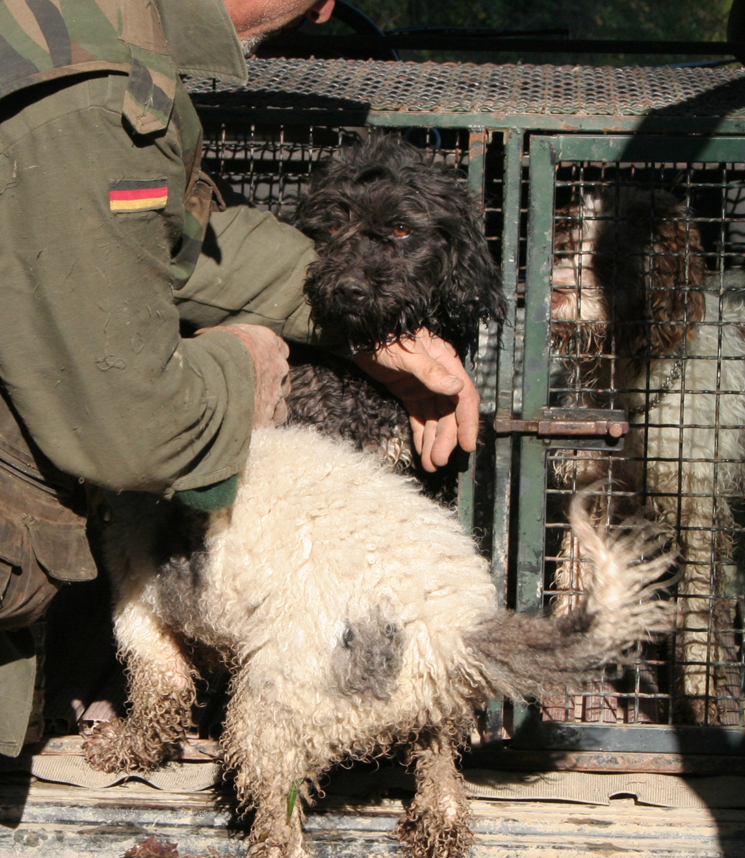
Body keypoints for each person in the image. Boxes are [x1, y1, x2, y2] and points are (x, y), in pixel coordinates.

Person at [0, 0, 482, 757]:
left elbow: (181, 243)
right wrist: (245, 365)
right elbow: (137, 431)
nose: (325, 15)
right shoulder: (97, 90)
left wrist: (370, 335)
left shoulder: (106, 28)